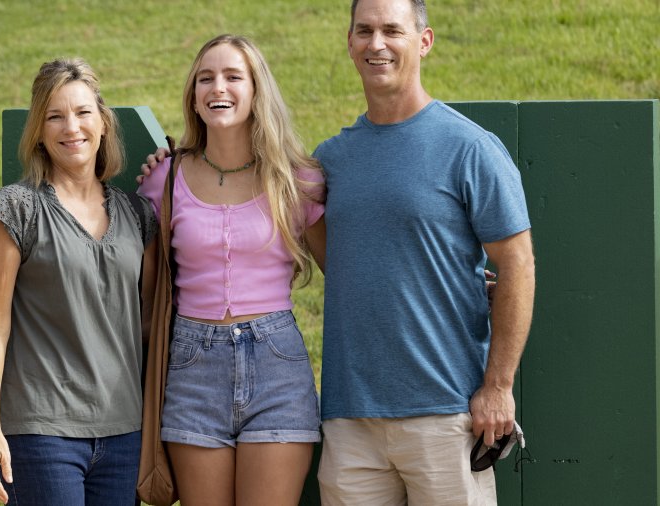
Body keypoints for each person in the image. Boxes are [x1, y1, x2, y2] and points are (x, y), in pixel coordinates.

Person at [312, 0, 536, 504]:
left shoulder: (469, 148)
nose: (377, 44)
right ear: (349, 43)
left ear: (424, 41)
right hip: (351, 422)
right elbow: (340, 262)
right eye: (364, 31)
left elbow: (517, 262)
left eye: (393, 30)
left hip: (448, 413)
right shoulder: (331, 160)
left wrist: (498, 386)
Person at [136, 34, 327, 505]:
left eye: (232, 76)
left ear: (256, 90)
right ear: (194, 98)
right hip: (192, 368)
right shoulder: (165, 179)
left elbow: (347, 273)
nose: (217, 87)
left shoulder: (295, 179)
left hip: (276, 366)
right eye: (206, 78)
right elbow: (142, 287)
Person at [0, 58, 157, 506]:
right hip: (41, 432)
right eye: (54, 116)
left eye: (82, 113)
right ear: (39, 130)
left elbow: (149, 325)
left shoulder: (139, 215)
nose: (70, 127)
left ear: (103, 123)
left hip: (124, 433)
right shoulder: (16, 209)